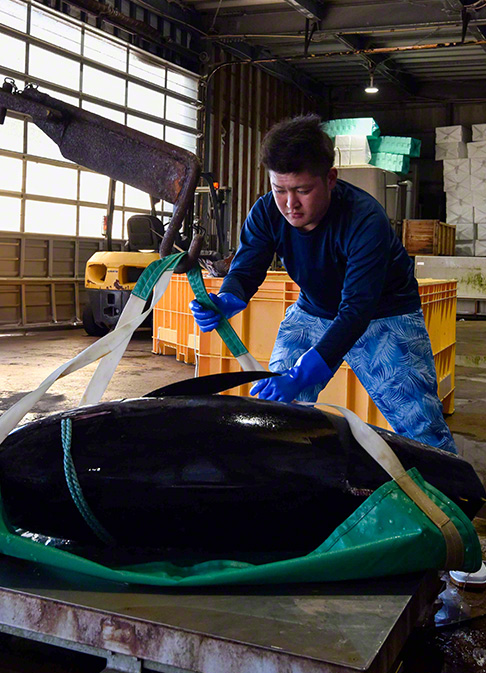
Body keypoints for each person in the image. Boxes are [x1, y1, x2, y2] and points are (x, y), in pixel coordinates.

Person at [191, 114, 456, 453]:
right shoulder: (267, 211)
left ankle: (449, 500)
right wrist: (229, 297)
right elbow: (245, 269)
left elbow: (358, 308)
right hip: (312, 311)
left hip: (384, 316)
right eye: (279, 190)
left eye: (302, 190)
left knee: (422, 432)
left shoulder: (365, 220)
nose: (290, 204)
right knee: (279, 414)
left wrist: (306, 372)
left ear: (330, 179)